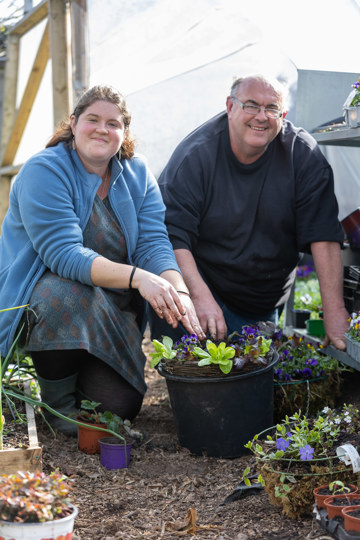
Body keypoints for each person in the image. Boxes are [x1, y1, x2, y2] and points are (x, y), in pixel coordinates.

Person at [0, 84, 204, 436]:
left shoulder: (137, 174)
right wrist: (140, 278)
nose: (102, 129)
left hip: (111, 305)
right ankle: (57, 403)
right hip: (48, 301)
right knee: (63, 292)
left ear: (123, 133)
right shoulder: (45, 171)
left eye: (113, 123)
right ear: (74, 123)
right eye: (92, 119)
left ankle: (79, 379)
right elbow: (64, 255)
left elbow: (154, 243)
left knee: (120, 405)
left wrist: (180, 292)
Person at [149, 74, 349, 351]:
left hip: (260, 299)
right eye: (251, 105)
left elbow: (323, 234)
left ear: (283, 115)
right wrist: (199, 297)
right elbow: (171, 235)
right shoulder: (195, 156)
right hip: (201, 282)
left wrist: (335, 311)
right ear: (230, 107)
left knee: (253, 381)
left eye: (271, 109)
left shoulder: (302, 155)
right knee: (198, 378)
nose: (261, 116)